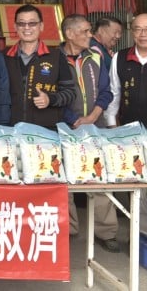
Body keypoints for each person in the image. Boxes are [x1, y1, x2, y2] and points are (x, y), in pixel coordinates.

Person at [60, 14, 119, 252]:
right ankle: (68, 229)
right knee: (65, 182)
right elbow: (52, 95)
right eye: (85, 31)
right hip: (66, 128)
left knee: (99, 178)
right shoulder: (54, 59)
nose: (90, 35)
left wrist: (94, 116)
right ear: (70, 34)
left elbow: (106, 91)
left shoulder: (95, 56)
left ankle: (107, 232)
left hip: (96, 126)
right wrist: (73, 120)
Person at [3, 4, 75, 127]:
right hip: (12, 128)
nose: (27, 28)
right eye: (21, 23)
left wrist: (50, 99)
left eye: (32, 23)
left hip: (46, 129)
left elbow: (70, 93)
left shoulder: (56, 56)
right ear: (15, 27)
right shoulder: (4, 57)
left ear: (41, 26)